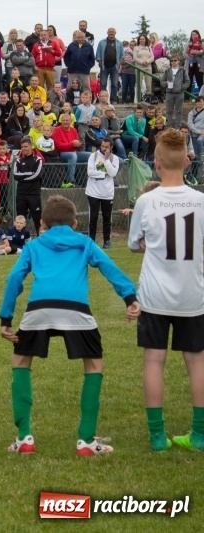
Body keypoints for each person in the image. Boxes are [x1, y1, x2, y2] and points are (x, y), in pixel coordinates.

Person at [0, 195, 139, 456]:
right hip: (76, 310)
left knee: (20, 362)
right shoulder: (84, 242)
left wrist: (6, 318)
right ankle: (86, 440)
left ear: (42, 223)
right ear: (75, 223)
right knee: (94, 364)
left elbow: (14, 277)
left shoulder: (35, 245)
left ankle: (24, 438)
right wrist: (130, 297)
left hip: (39, 309)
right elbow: (108, 266)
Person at [127, 129, 204, 452]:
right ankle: (198, 435)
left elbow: (133, 244)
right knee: (197, 362)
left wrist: (148, 243)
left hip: (155, 295)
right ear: (187, 162)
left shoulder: (147, 201)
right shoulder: (201, 201)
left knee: (153, 361)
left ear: (156, 164)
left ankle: (157, 436)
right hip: (194, 293)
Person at [85, 138, 119, 249]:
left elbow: (113, 173)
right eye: (103, 146)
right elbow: (90, 172)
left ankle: (107, 240)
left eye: (106, 147)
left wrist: (107, 160)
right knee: (93, 218)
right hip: (93, 192)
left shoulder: (115, 158)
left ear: (111, 147)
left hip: (107, 193)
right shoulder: (93, 156)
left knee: (107, 218)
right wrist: (103, 174)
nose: (104, 148)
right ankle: (91, 240)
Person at [13, 138, 43, 234]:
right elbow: (15, 175)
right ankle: (20, 241)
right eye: (22, 147)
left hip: (34, 194)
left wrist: (23, 177)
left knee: (38, 220)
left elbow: (37, 175)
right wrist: (29, 173)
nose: (24, 148)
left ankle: (40, 240)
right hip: (21, 194)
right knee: (20, 221)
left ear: (31, 146)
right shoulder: (18, 161)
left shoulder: (38, 160)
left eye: (26, 146)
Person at [161, 56, 190, 129]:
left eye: (175, 60)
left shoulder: (182, 70)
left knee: (179, 111)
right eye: (172, 60)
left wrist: (181, 88)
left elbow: (187, 82)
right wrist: (166, 83)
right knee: (168, 111)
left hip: (179, 93)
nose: (173, 62)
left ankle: (178, 128)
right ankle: (168, 127)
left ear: (178, 61)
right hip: (169, 93)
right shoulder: (167, 70)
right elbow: (161, 81)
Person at [96, 28, 123, 103]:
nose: (111, 33)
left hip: (115, 67)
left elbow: (122, 56)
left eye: (112, 32)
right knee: (103, 84)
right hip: (104, 67)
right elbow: (98, 54)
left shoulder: (119, 43)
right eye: (110, 32)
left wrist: (119, 64)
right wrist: (99, 62)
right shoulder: (101, 42)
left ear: (115, 33)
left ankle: (113, 100)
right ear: (107, 32)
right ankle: (103, 100)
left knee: (114, 84)